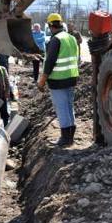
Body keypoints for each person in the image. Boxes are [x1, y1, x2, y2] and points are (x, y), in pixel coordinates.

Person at [37, 13, 79, 147]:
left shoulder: (55, 40)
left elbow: (49, 63)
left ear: (50, 26)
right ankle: (70, 136)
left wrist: (42, 81)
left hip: (58, 80)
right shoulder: (71, 38)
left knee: (62, 108)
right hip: (71, 77)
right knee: (69, 106)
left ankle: (65, 139)